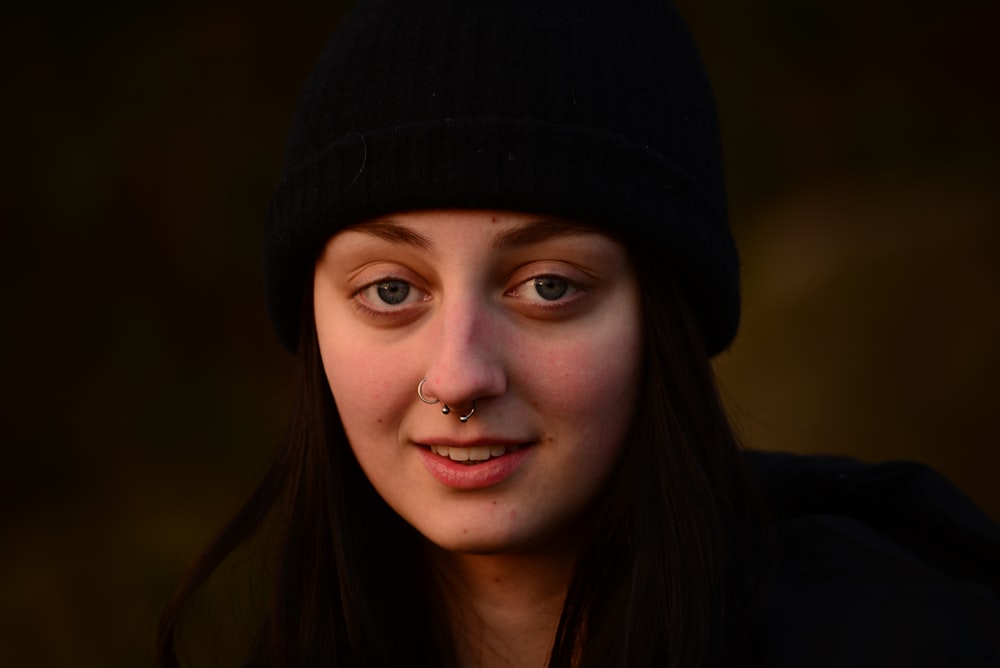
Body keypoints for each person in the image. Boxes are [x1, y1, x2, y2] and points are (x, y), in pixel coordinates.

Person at [158, 1, 1000, 666]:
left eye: (547, 287)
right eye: (390, 289)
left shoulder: (908, 640)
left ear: (662, 320)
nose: (457, 377)